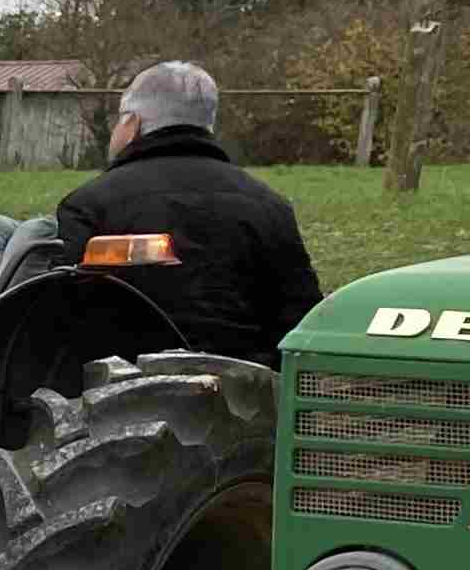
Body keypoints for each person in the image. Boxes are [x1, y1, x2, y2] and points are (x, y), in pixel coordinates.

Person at [52, 61, 323, 362]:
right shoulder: (271, 207)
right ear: (207, 124)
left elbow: (58, 317)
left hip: (120, 384)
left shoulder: (89, 204)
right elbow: (304, 322)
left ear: (132, 124)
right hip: (246, 384)